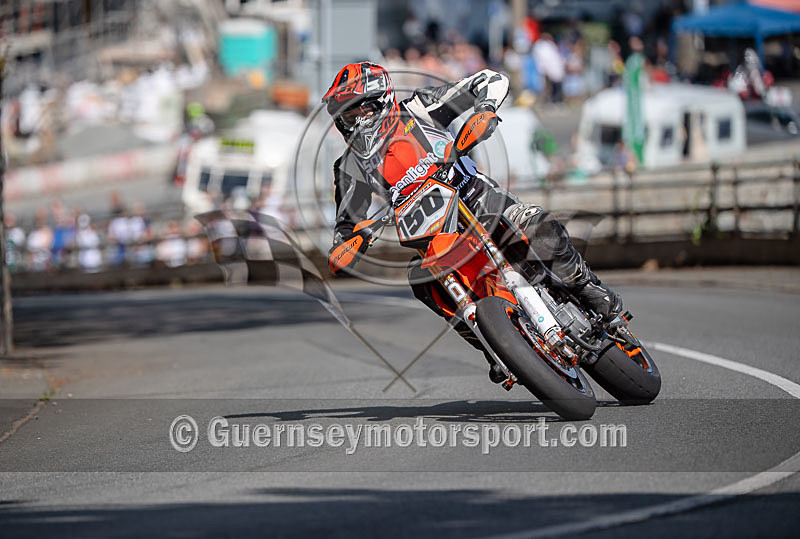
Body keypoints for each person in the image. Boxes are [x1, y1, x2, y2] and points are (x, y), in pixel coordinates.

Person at [322, 62, 622, 382]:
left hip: (478, 202)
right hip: (434, 237)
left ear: (379, 100)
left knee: (535, 225)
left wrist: (486, 108)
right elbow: (346, 224)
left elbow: (491, 80)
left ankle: (589, 289)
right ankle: (494, 345)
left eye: (354, 112)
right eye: (343, 116)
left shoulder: (420, 109)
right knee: (420, 280)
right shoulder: (350, 166)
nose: (348, 122)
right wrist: (348, 241)